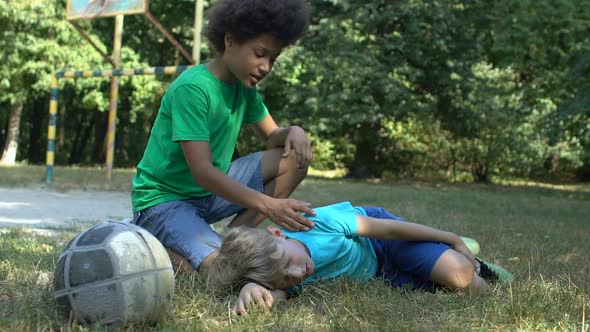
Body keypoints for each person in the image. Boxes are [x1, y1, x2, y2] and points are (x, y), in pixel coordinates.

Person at [131, 0, 316, 273]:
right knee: (223, 275)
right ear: (230, 40)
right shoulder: (193, 88)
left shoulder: (244, 88)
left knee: (294, 159)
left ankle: (230, 242)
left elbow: (273, 136)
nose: (265, 67)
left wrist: (295, 131)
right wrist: (269, 205)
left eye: (272, 59)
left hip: (209, 194)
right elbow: (203, 172)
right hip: (164, 201)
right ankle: (160, 248)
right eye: (260, 53)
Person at [207, 202, 515, 315]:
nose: (299, 272)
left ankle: (469, 258)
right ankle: (443, 259)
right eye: (287, 277)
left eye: (289, 261)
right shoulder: (279, 275)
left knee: (462, 276)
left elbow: (392, 228)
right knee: (443, 287)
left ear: (277, 234)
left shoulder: (318, 222)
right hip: (380, 274)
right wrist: (251, 289)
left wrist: (447, 237)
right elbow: (277, 295)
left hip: (384, 243)